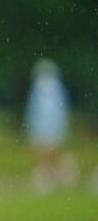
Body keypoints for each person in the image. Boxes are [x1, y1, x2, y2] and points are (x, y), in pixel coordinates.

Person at [24, 58, 76, 193]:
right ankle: (49, 179)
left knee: (51, 154)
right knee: (44, 155)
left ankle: (58, 177)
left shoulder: (55, 90)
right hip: (43, 128)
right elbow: (34, 112)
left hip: (51, 128)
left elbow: (59, 112)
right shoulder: (40, 90)